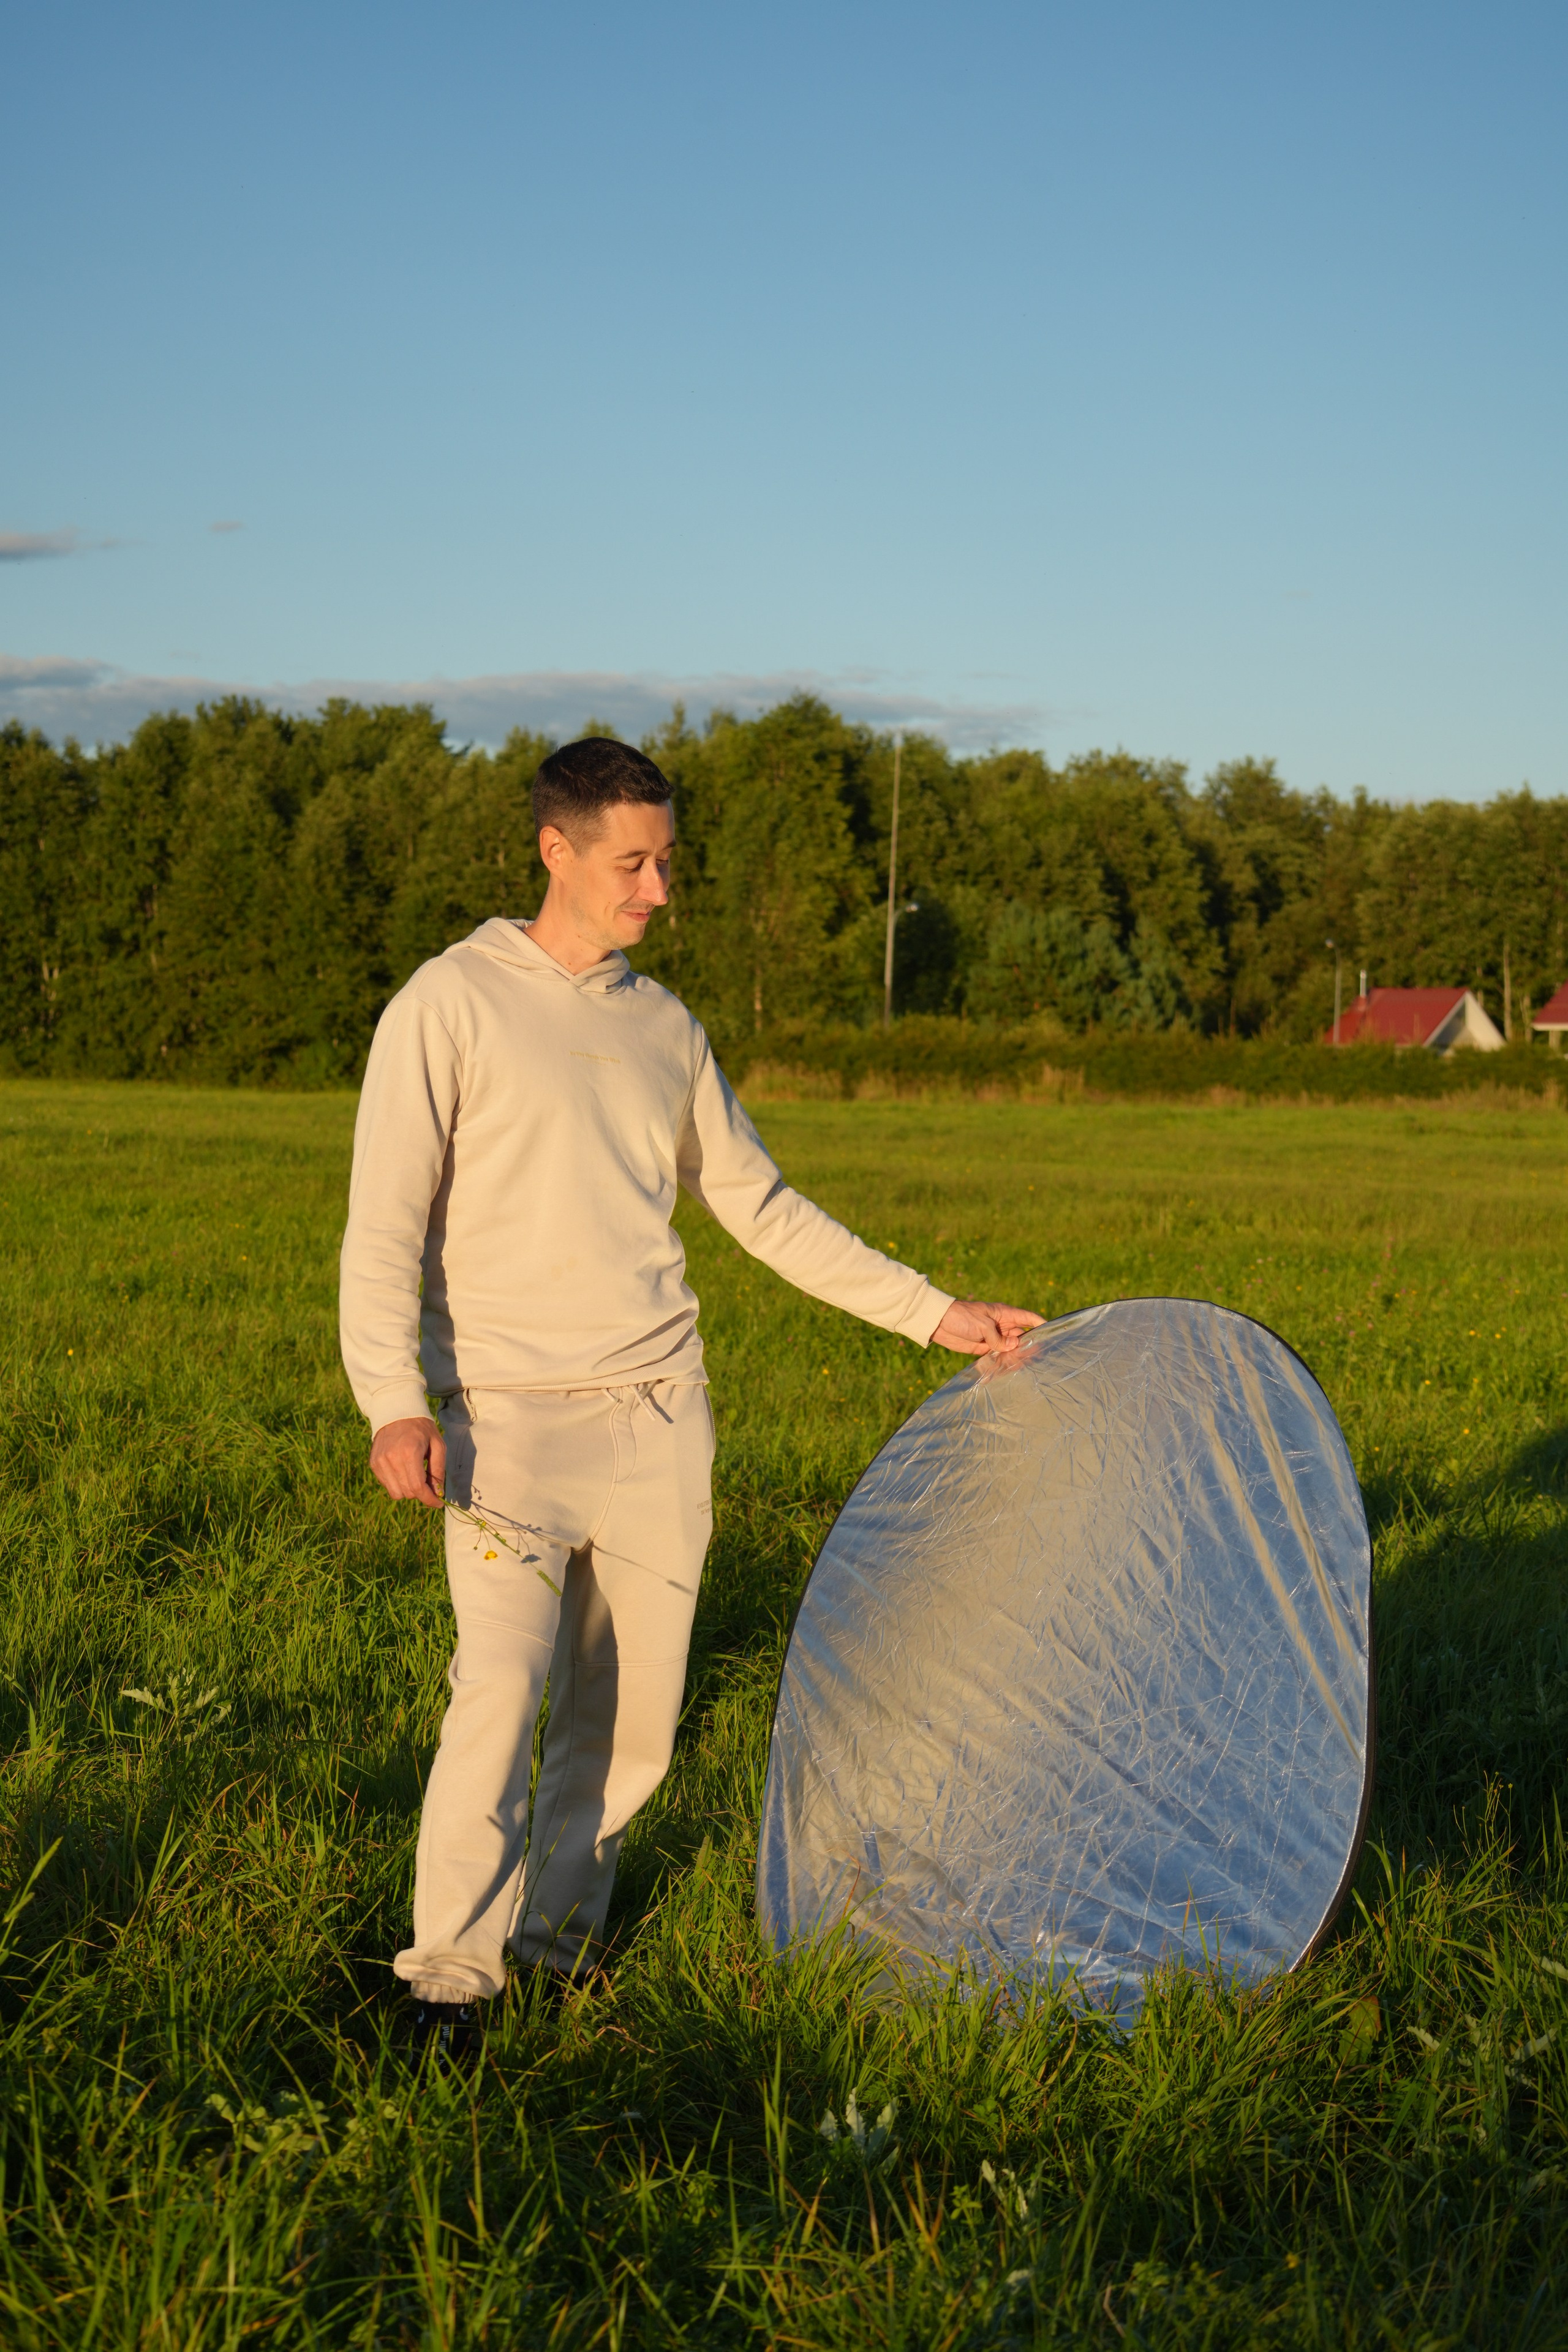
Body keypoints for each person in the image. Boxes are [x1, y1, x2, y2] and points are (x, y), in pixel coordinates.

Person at [339, 736, 1042, 2061]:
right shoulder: (448, 1003)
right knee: (494, 1692)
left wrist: (935, 1314)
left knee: (629, 1721)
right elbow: (383, 1228)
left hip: (657, 1420)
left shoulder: (664, 1029)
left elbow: (760, 1208)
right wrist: (395, 1398)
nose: (657, 888)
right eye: (633, 863)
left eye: (666, 862)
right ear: (555, 850)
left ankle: (552, 1951)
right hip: (502, 1421)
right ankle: (445, 1987)